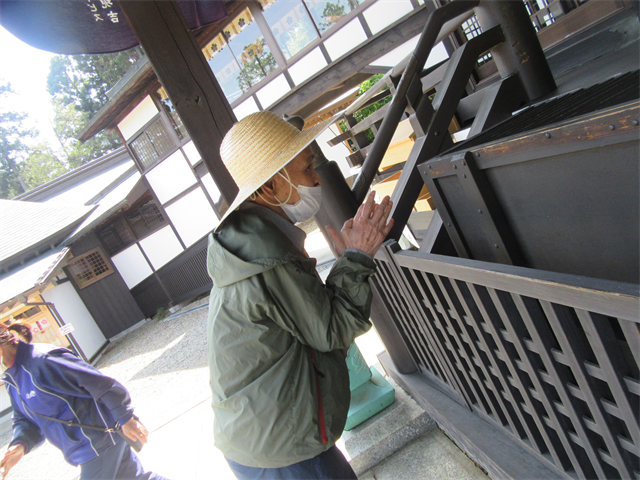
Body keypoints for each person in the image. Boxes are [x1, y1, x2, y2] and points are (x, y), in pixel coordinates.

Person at [207, 111, 394, 480]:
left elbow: (310, 325)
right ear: (270, 186)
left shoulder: (254, 243)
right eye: (307, 168)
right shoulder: (266, 255)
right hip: (280, 447)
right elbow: (332, 330)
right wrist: (355, 260)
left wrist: (347, 263)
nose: (315, 178)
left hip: (263, 437)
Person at [0, 322, 168, 480]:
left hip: (98, 443)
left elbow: (100, 384)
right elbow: (25, 420)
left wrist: (125, 418)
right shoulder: (11, 380)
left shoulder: (44, 359)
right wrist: (20, 444)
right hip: (86, 450)